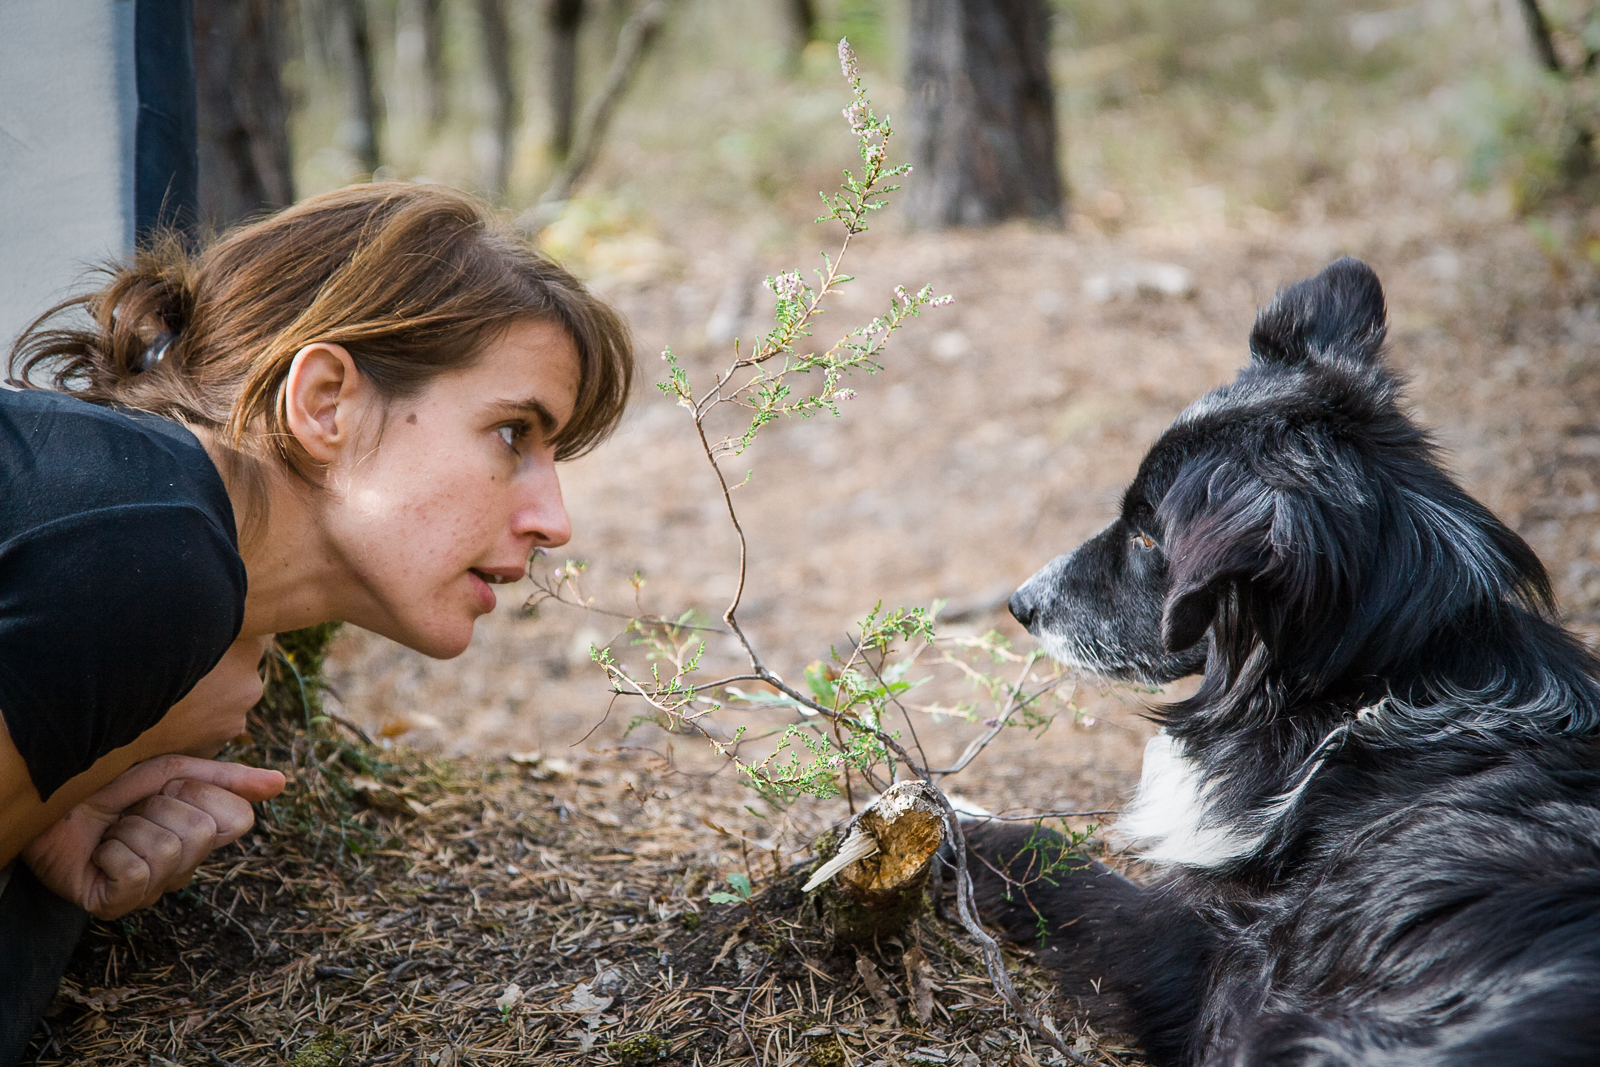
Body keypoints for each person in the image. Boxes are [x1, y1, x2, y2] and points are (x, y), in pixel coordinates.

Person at [0, 183, 633, 1058]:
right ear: (327, 401)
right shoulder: (156, 548)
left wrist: (53, 803)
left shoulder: (146, 530)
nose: (554, 519)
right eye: (511, 434)